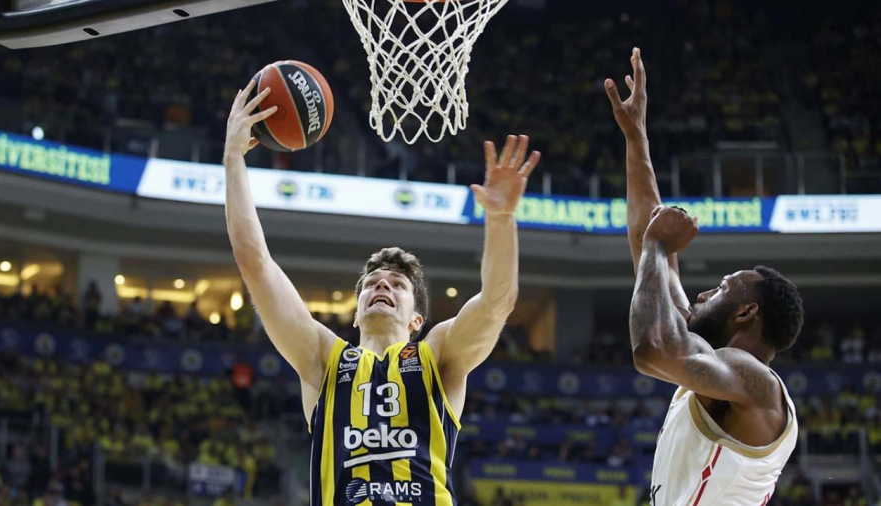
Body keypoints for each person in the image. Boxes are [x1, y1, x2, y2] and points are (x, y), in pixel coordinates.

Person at [224, 79, 541, 506]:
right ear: (354, 314)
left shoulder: (438, 355)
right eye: (372, 283)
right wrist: (232, 159)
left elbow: (497, 302)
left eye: (397, 284)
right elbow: (254, 261)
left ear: (416, 320)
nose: (381, 285)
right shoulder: (322, 359)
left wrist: (501, 220)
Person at [605, 48, 803, 505]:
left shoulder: (753, 381)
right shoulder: (711, 365)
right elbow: (647, 251)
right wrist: (637, 140)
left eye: (723, 287)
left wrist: (659, 246)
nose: (704, 292)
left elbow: (650, 347)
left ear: (747, 312)